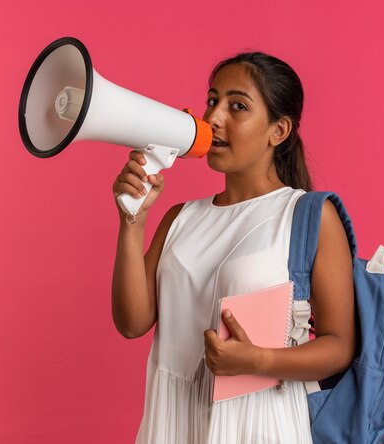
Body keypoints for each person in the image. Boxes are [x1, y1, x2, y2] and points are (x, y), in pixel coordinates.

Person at [111, 52, 355, 443]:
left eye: (237, 106)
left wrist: (260, 360)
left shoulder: (307, 215)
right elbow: (132, 323)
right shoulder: (180, 218)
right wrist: (132, 222)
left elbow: (339, 346)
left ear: (279, 131)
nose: (213, 118)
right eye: (212, 100)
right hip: (170, 424)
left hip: (259, 425)